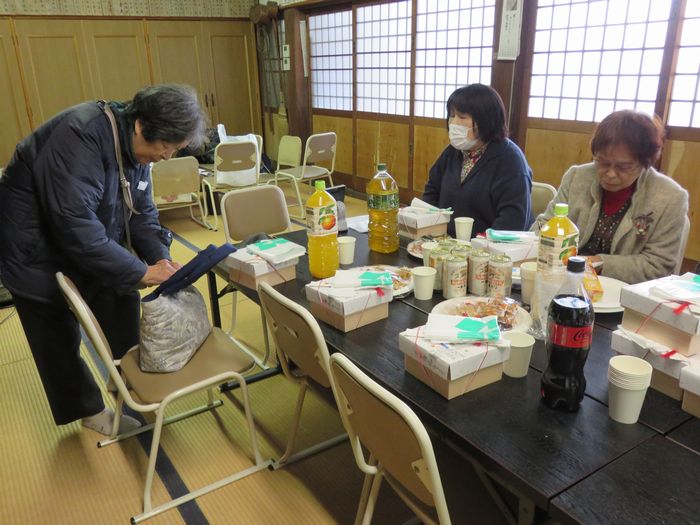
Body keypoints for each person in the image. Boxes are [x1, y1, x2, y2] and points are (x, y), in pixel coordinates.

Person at [0, 84, 207, 434]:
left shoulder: (135, 150)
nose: (167, 156)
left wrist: (161, 260)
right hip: (32, 246)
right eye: (166, 147)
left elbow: (141, 214)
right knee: (54, 330)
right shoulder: (79, 136)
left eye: (175, 149)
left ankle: (126, 377)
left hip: (85, 235)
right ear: (141, 126)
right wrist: (143, 271)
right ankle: (90, 412)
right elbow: (76, 227)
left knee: (121, 294)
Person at [532, 110, 689, 284]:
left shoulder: (669, 197)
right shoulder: (577, 177)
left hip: (624, 292)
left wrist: (598, 262)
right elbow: (542, 226)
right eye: (603, 162)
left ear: (645, 162)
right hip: (561, 279)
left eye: (624, 167)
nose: (610, 174)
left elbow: (658, 265)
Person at [423, 83, 533, 237]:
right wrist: (433, 231)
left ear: (486, 120)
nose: (453, 123)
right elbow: (431, 192)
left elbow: (512, 222)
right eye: (452, 115)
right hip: (445, 243)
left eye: (462, 117)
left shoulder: (510, 160)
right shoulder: (453, 151)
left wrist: (477, 246)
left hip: (488, 247)